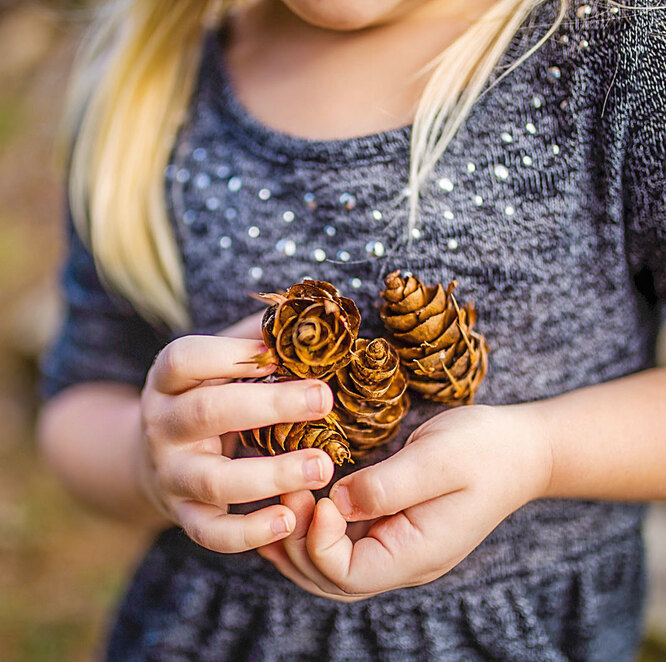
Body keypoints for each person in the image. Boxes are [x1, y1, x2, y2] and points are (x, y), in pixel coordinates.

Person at [38, 0, 666, 659]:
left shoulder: (622, 57)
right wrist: (147, 463)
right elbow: (82, 397)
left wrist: (541, 454)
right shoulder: (146, 88)